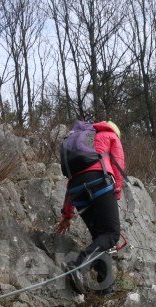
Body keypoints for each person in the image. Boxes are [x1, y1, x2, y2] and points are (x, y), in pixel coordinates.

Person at [55, 120, 125, 295]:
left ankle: (105, 289)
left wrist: (67, 215)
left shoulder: (83, 140)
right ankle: (78, 266)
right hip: (99, 183)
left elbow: (72, 181)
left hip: (77, 190)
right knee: (111, 234)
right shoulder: (110, 136)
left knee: (100, 240)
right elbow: (118, 164)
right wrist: (116, 190)